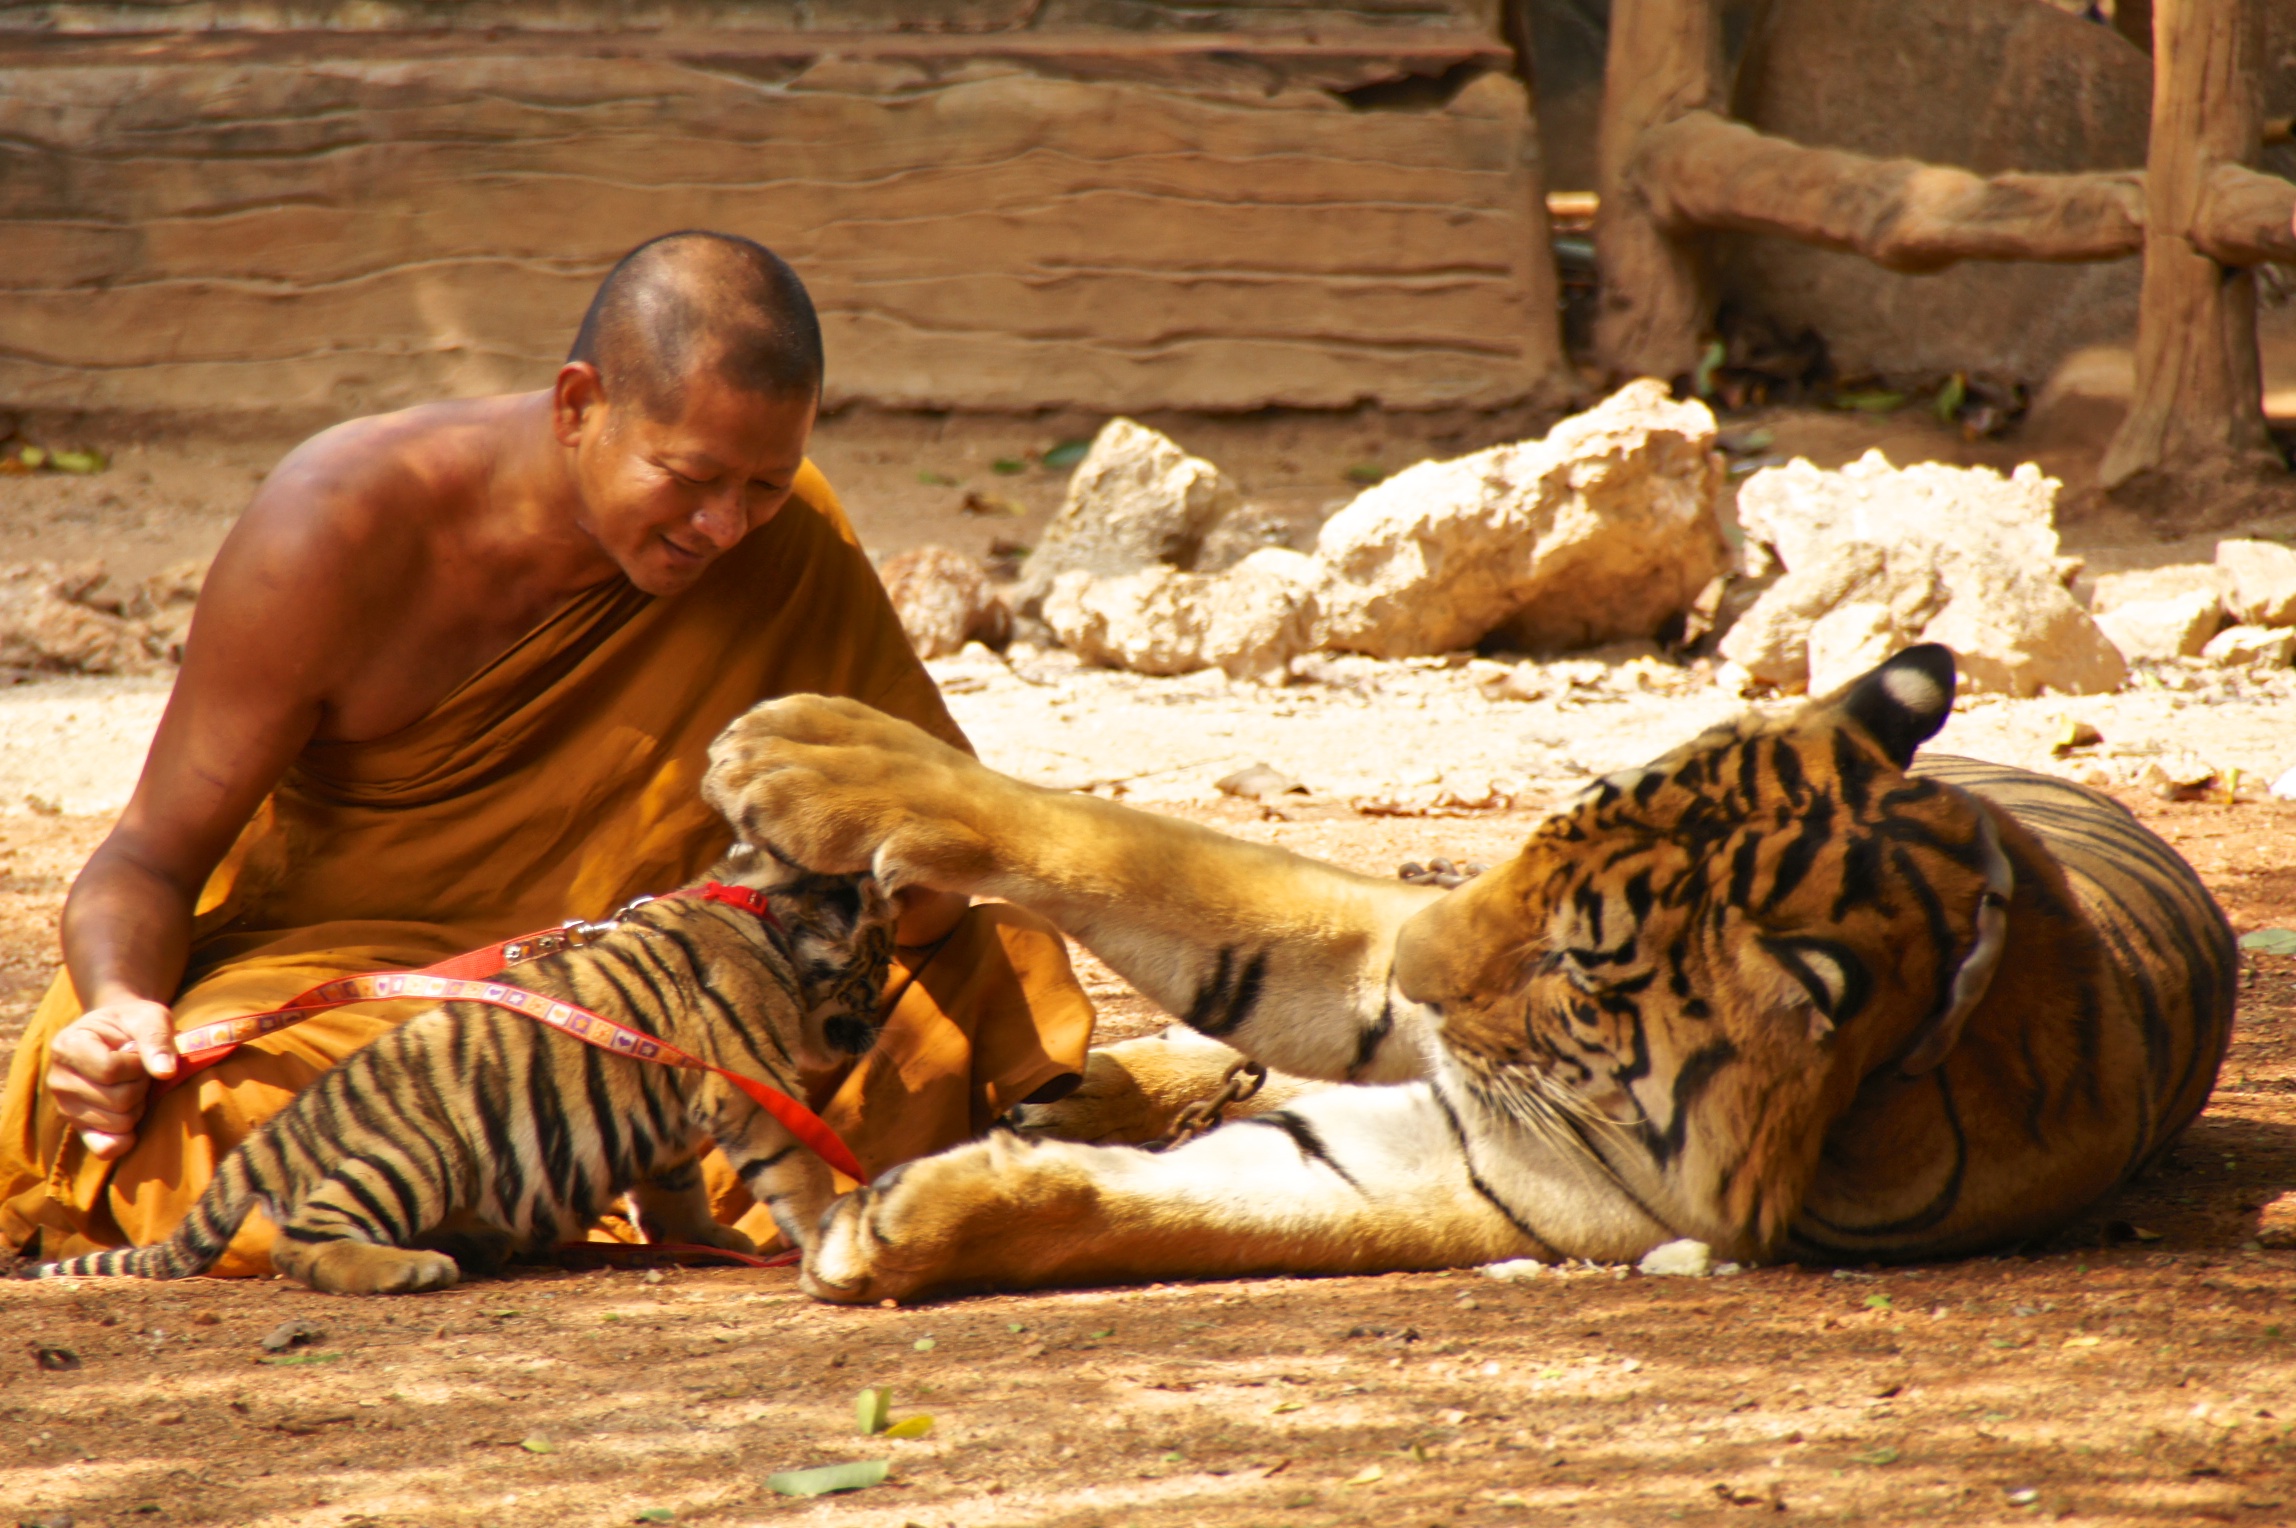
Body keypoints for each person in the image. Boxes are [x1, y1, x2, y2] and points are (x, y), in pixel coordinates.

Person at [0, 231, 1094, 1273]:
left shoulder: (788, 537)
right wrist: (119, 1008)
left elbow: (934, 833)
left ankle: (549, 1195)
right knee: (216, 1117)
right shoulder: (335, 528)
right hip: (378, 1001)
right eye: (690, 477)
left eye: (762, 486)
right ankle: (591, 1186)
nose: (726, 526)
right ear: (579, 406)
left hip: (673, 1012)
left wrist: (863, 900)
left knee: (969, 977)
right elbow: (146, 859)